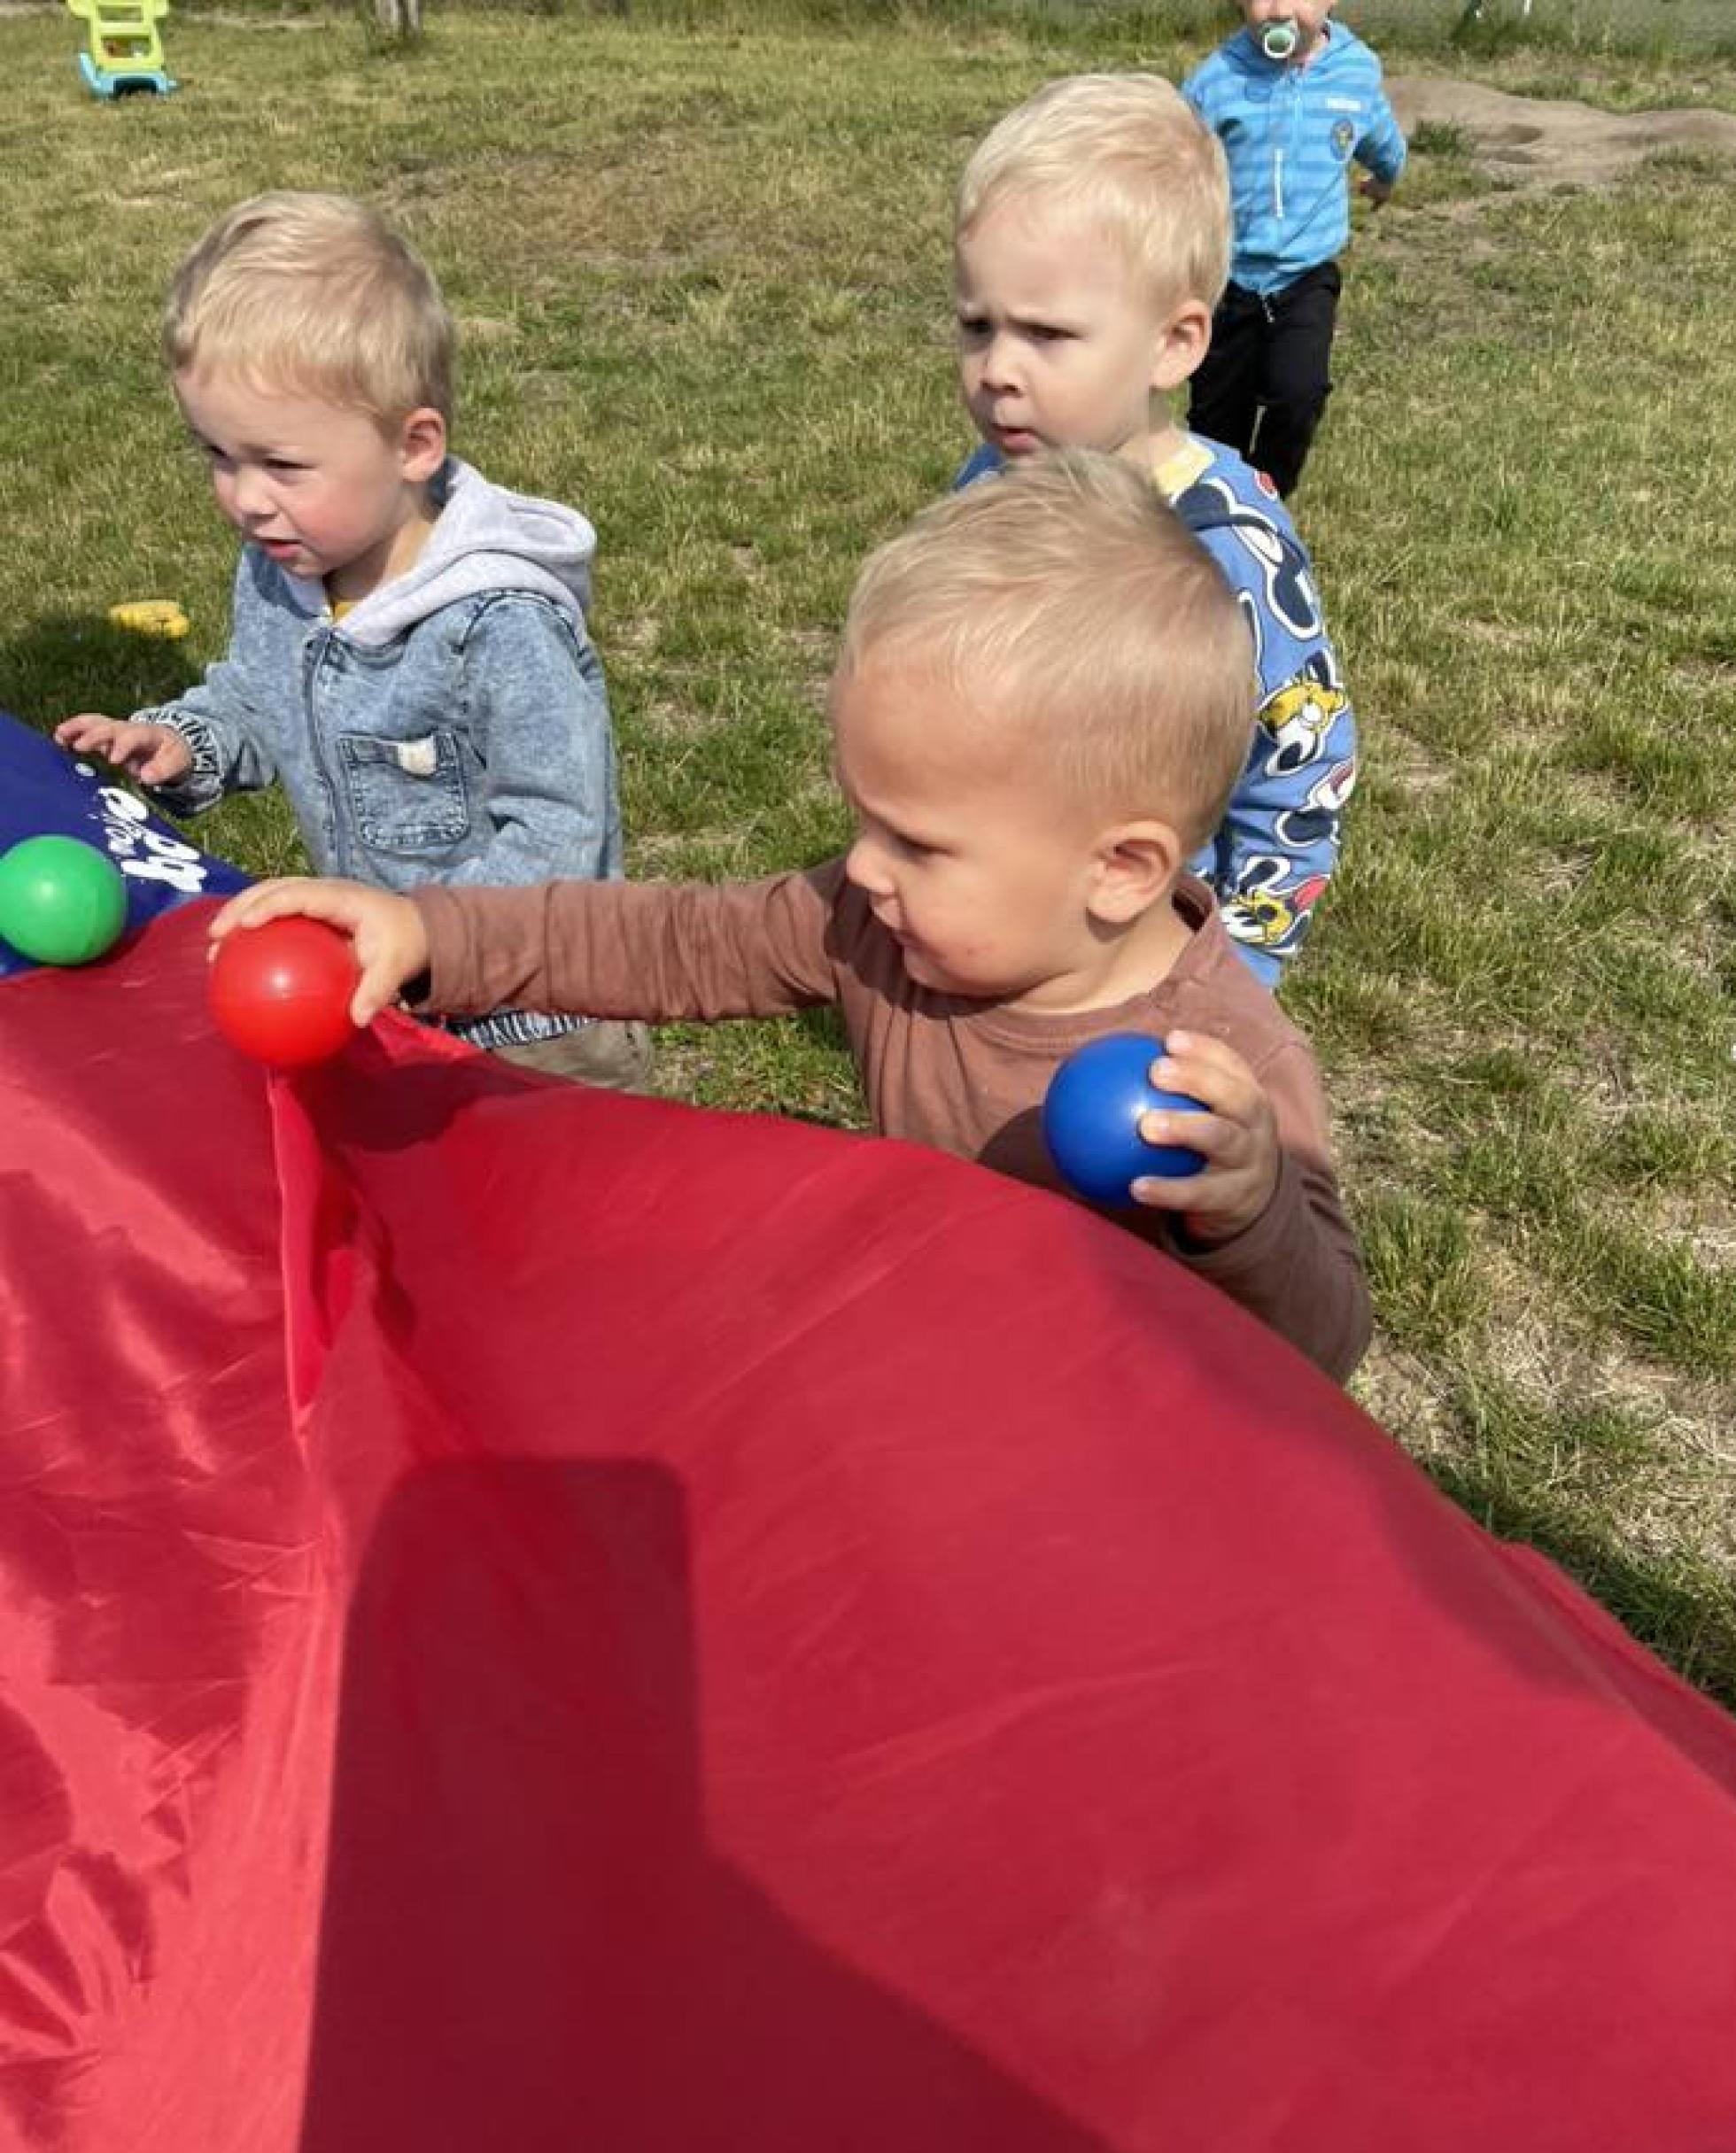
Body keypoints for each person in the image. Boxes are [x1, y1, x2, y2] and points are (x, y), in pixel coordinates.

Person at [210, 453, 1370, 1384]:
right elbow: (666, 942)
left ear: (1118, 869)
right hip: (937, 1380)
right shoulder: (878, 926)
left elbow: (1322, 1350)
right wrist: (432, 934)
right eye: (863, 820)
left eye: (915, 842)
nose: (861, 866)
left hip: (1112, 1449)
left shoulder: (1221, 1073)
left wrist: (1246, 1211)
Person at [56, 191, 647, 1088]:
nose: (245, 499)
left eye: (281, 464)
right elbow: (255, 698)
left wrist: (421, 930)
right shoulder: (283, 568)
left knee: (553, 1179)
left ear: (414, 446)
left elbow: (561, 831)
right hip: (389, 990)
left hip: (538, 1021)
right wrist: (184, 741)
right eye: (217, 455)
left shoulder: (499, 624)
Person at [950, 73, 1356, 987]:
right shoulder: (986, 485)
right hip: (999, 911)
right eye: (977, 326)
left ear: (1174, 344)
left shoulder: (1224, 545)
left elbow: (1299, 755)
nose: (997, 369)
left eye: (1047, 334)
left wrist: (1243, 953)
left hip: (1151, 944)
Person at [1182, 1, 1406, 500]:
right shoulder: (1217, 80)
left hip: (1306, 276)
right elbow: (1176, 156)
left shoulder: (1354, 71)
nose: (1280, 10)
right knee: (1218, 415)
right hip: (1228, 280)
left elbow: (1380, 136)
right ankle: (1216, 505)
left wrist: (1387, 176)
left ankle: (1267, 495)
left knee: (1298, 393)